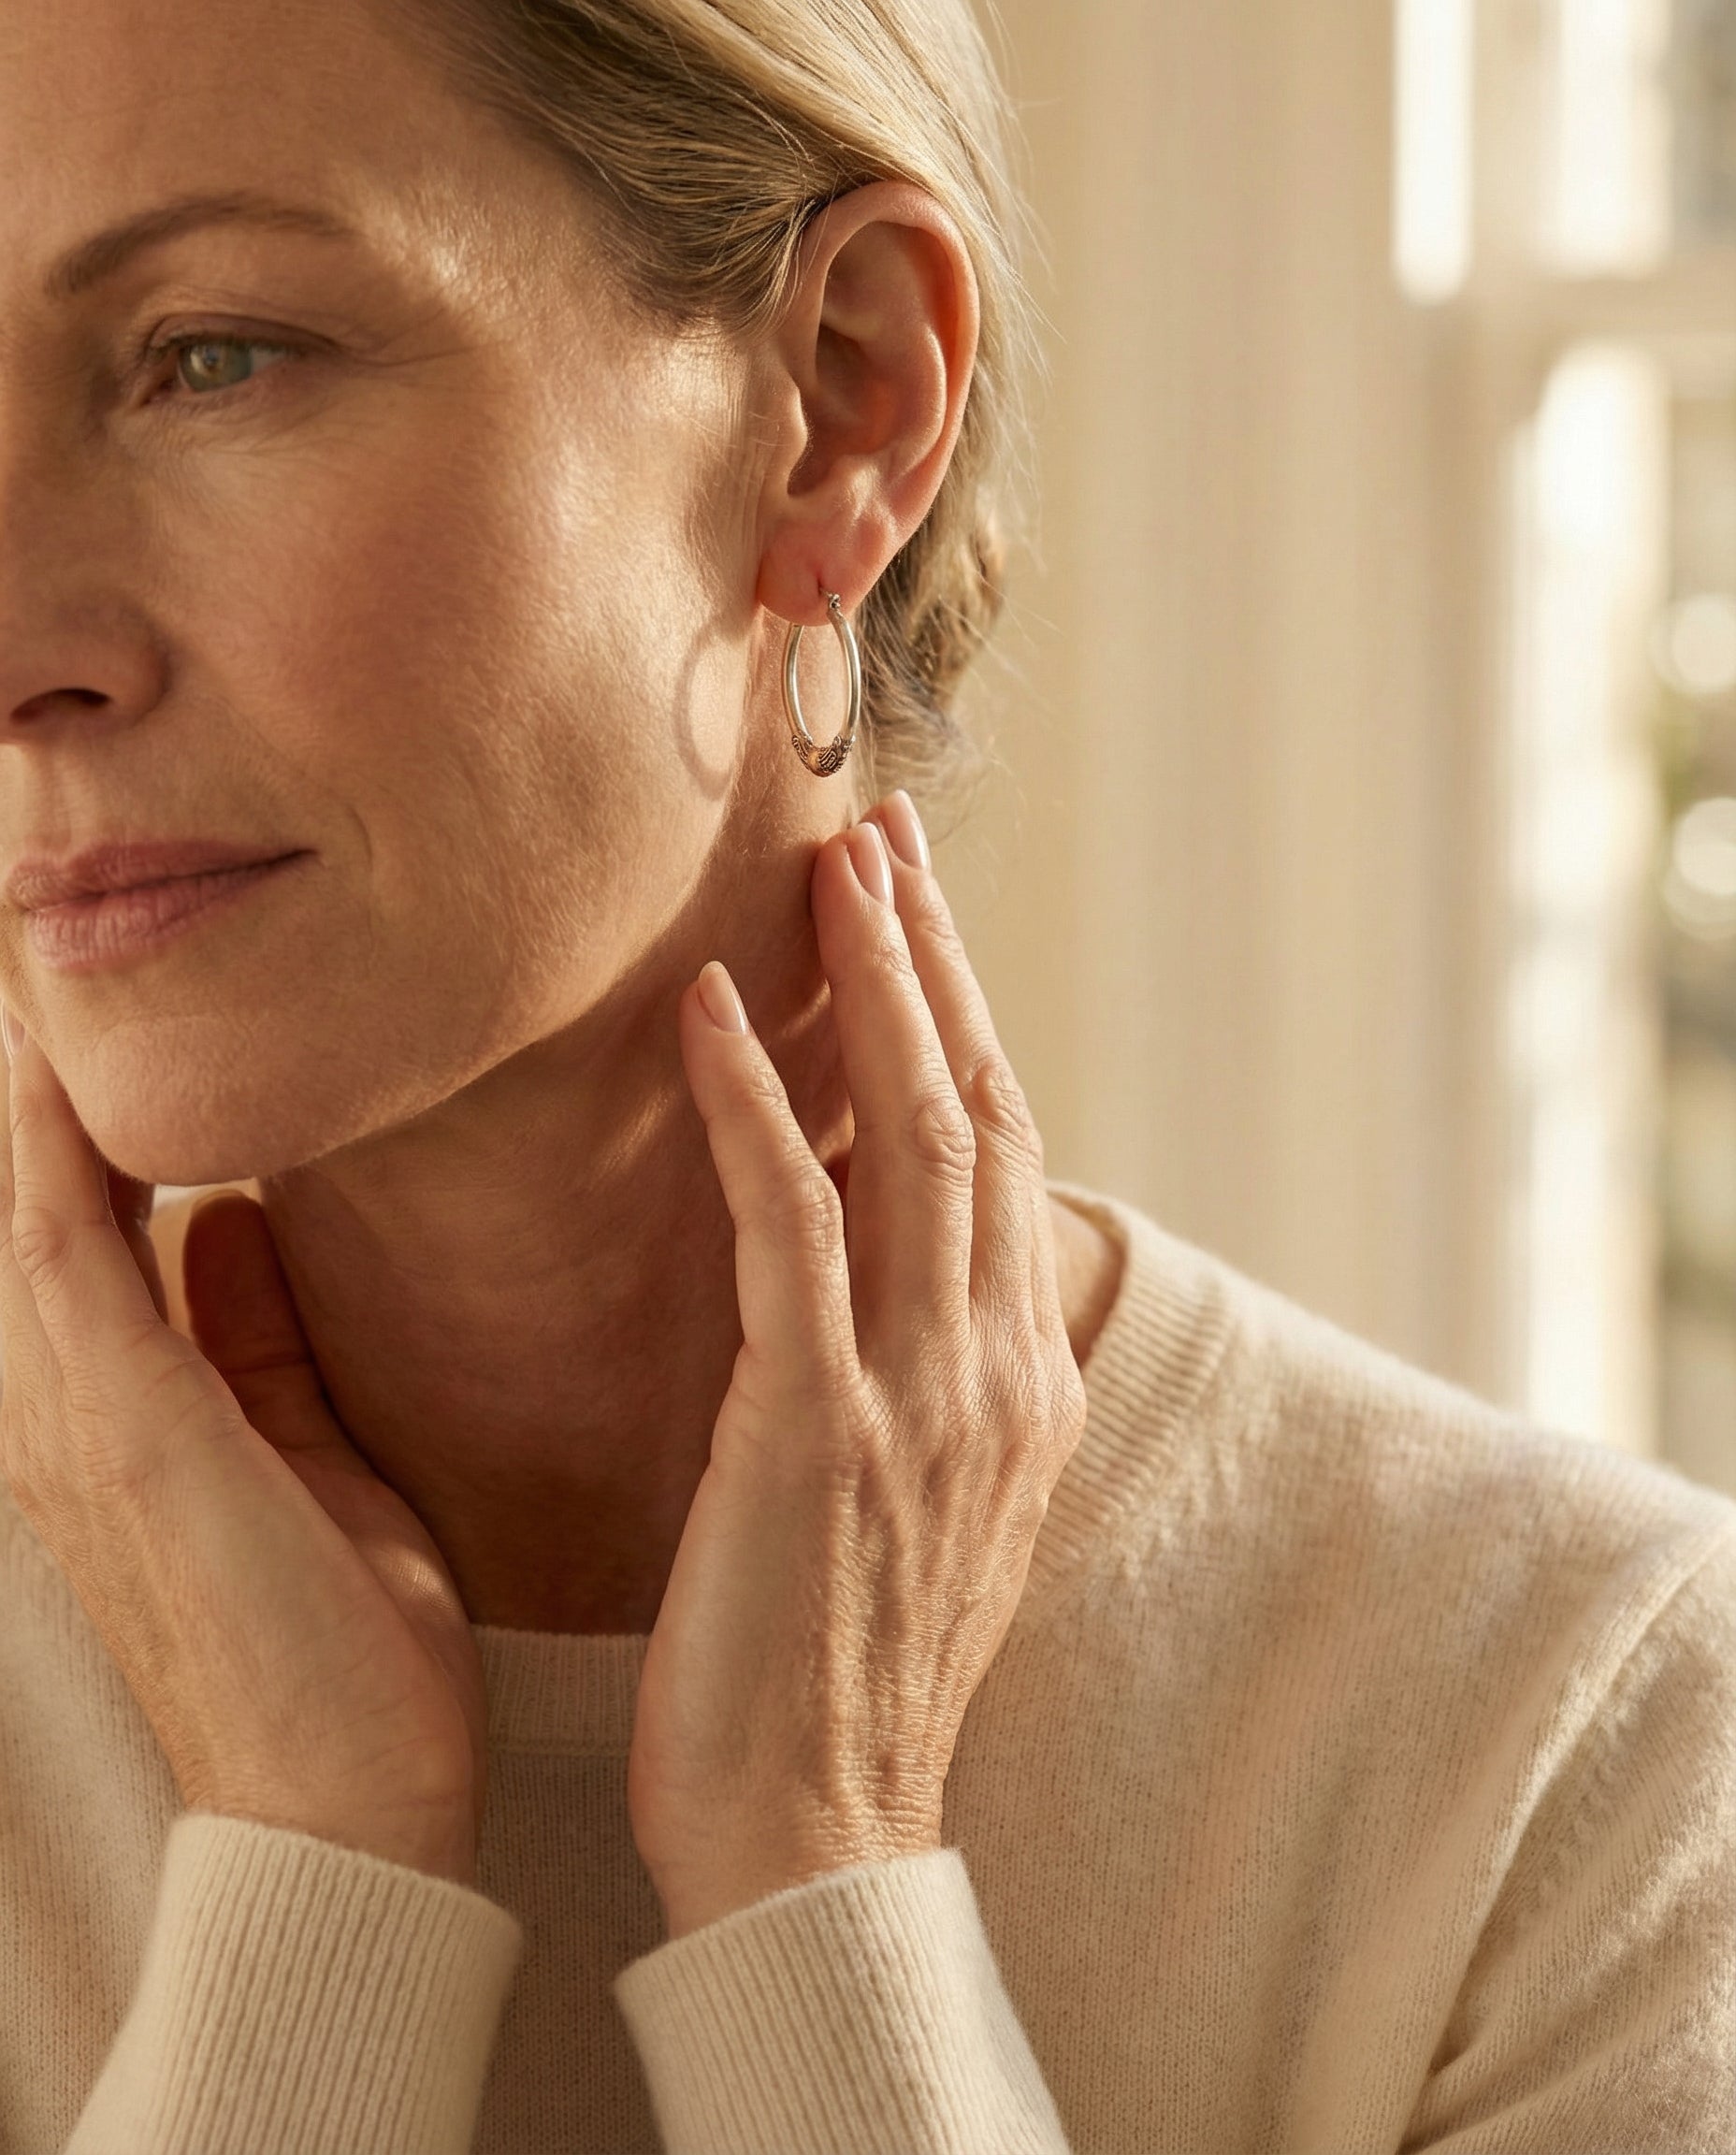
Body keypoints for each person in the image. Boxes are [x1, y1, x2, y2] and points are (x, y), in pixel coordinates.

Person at [0, 0, 1732, 2149]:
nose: (19, 639)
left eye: (214, 354)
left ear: (840, 404)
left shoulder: (1580, 1753)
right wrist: (304, 1881)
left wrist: (818, 1875)